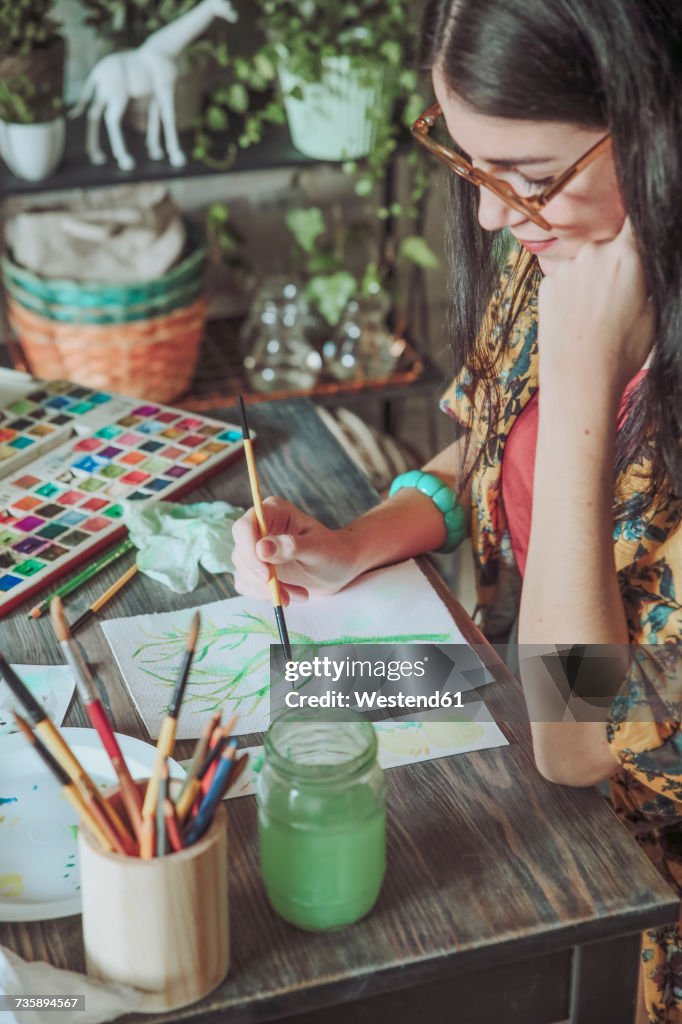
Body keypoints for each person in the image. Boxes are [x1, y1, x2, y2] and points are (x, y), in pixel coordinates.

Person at [232, 1, 682, 1018]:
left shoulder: (585, 271)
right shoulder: (577, 239)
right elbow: (496, 435)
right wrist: (356, 541)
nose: (489, 218)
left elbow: (578, 743)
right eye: (469, 164)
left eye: (527, 178)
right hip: (507, 731)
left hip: (629, 899)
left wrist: (581, 384)